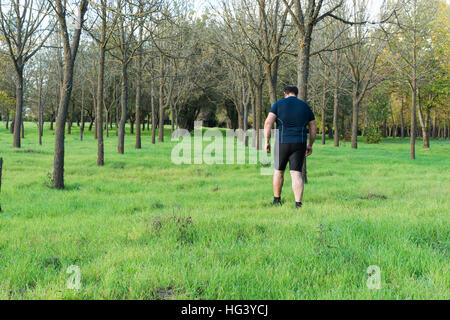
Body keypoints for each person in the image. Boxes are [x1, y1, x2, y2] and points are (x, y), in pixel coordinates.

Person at [264, 85, 317, 209]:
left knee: (278, 171)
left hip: (282, 142)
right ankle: (298, 204)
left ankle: (277, 200)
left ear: (285, 93)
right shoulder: (305, 106)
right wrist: (310, 144)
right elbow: (313, 127)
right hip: (299, 143)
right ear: (297, 94)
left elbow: (268, 122)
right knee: (296, 173)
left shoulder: (278, 104)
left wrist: (267, 141)